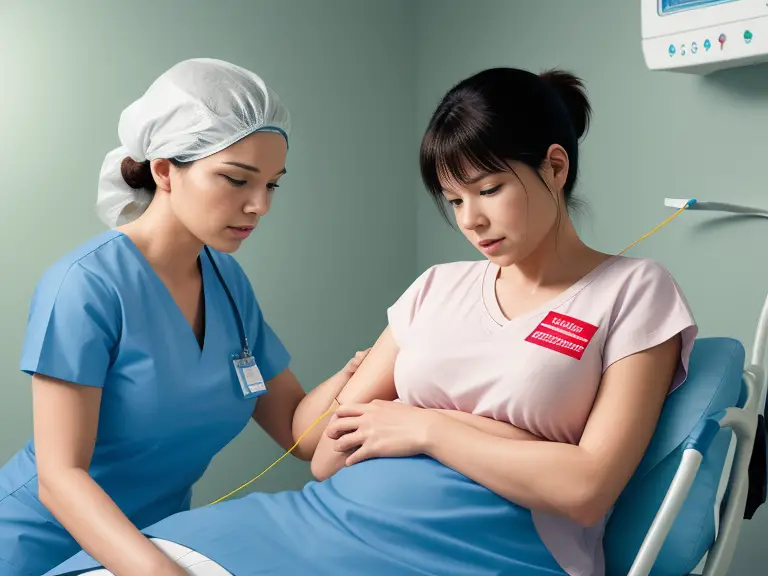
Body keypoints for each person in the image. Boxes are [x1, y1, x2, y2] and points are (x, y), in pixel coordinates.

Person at [47, 66, 698, 576]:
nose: (470, 221)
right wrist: (508, 441)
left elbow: (585, 488)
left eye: (489, 190)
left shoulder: (632, 292)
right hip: (320, 520)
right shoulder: (436, 290)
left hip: (481, 551)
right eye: (453, 199)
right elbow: (329, 454)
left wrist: (426, 426)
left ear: (555, 167)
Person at [0, 58, 369, 576]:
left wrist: (379, 359)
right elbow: (60, 478)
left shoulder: (226, 281)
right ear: (165, 170)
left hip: (156, 548)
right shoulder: (85, 286)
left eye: (272, 185)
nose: (259, 205)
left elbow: (298, 433)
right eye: (237, 179)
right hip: (34, 550)